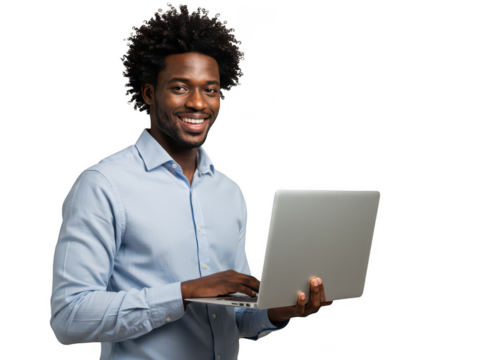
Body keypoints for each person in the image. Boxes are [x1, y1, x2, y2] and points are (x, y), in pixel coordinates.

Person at [50, 3, 331, 359]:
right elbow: (69, 318)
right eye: (181, 88)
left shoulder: (228, 192)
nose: (198, 103)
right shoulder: (104, 185)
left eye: (210, 90)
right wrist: (183, 292)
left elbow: (234, 315)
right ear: (150, 93)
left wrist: (278, 311)